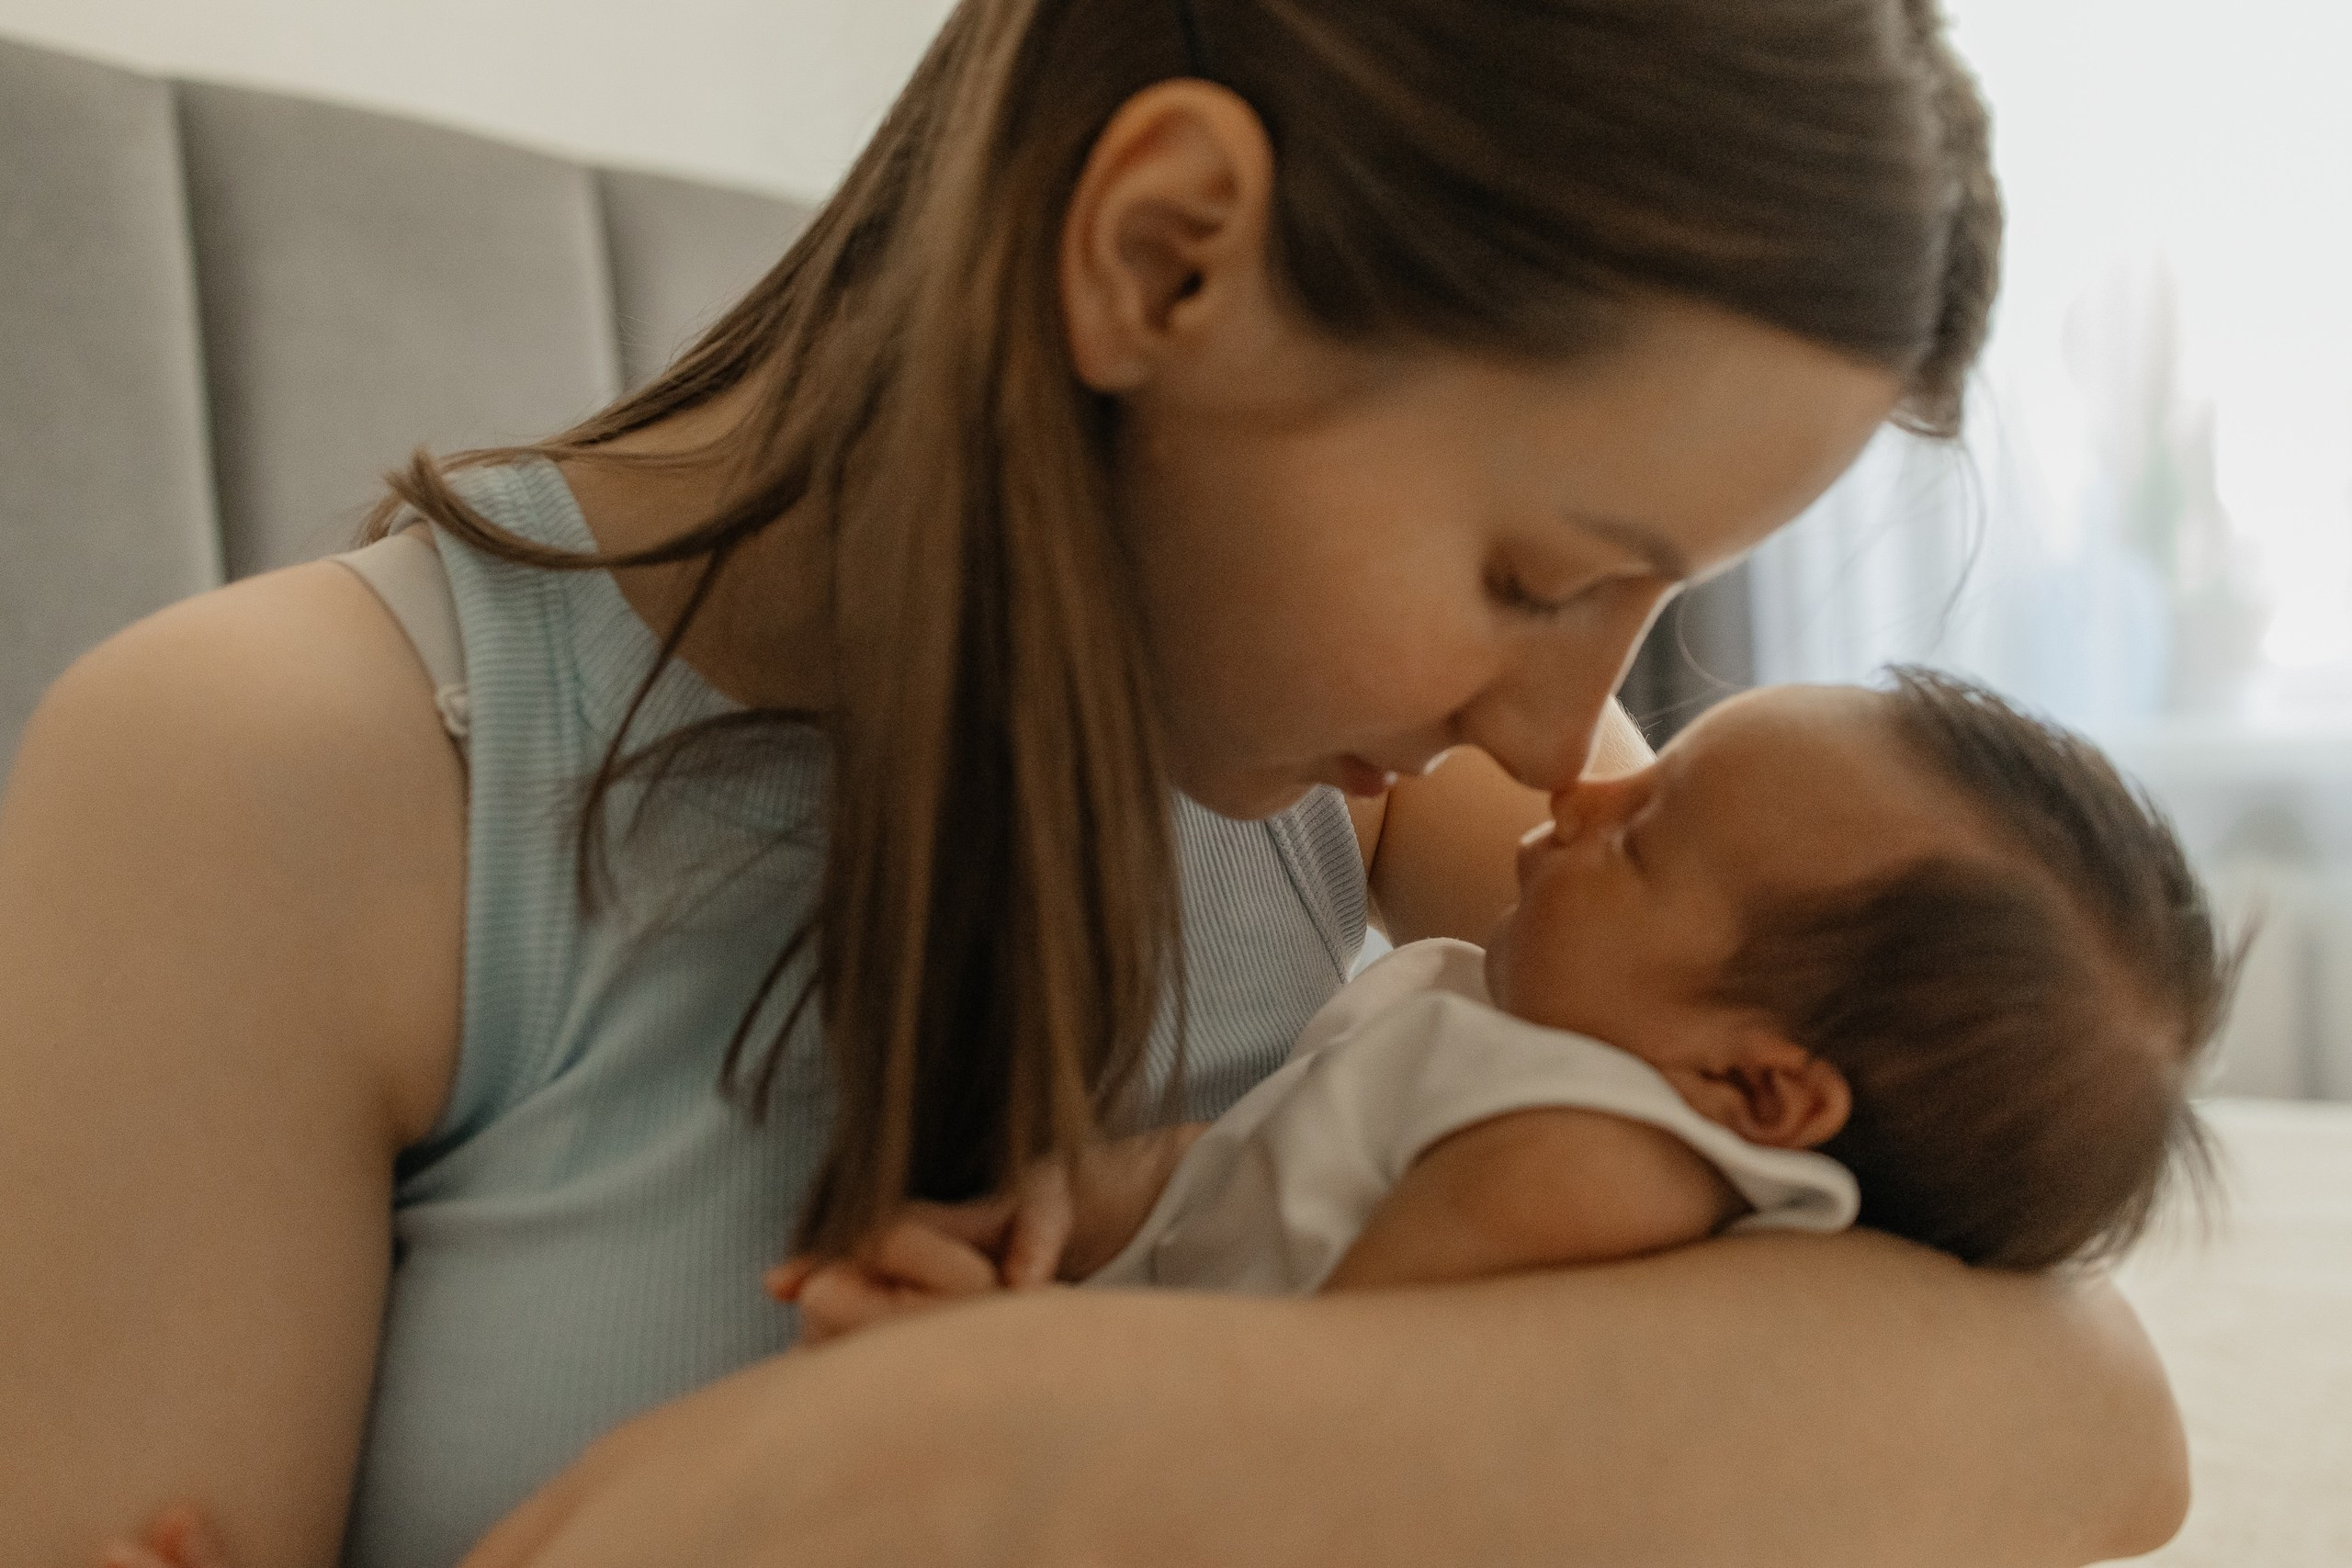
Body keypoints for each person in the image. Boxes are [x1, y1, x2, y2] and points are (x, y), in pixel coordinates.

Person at [4, 2, 2196, 1566]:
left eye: (1647, 607)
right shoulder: (282, 781)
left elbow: (2080, 1408)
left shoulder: (1398, 787)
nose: (1558, 743)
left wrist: (991, 1434)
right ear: (1164, 257)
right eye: (1537, 576)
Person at [773, 670, 2232, 1346]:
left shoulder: (1586, 1163)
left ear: (1758, 1090)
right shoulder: (1530, 1048)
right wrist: (1059, 1206)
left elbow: (1319, 1407)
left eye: (1643, 833)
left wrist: (1000, 1380)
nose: (1584, 787)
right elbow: (1240, 1164)